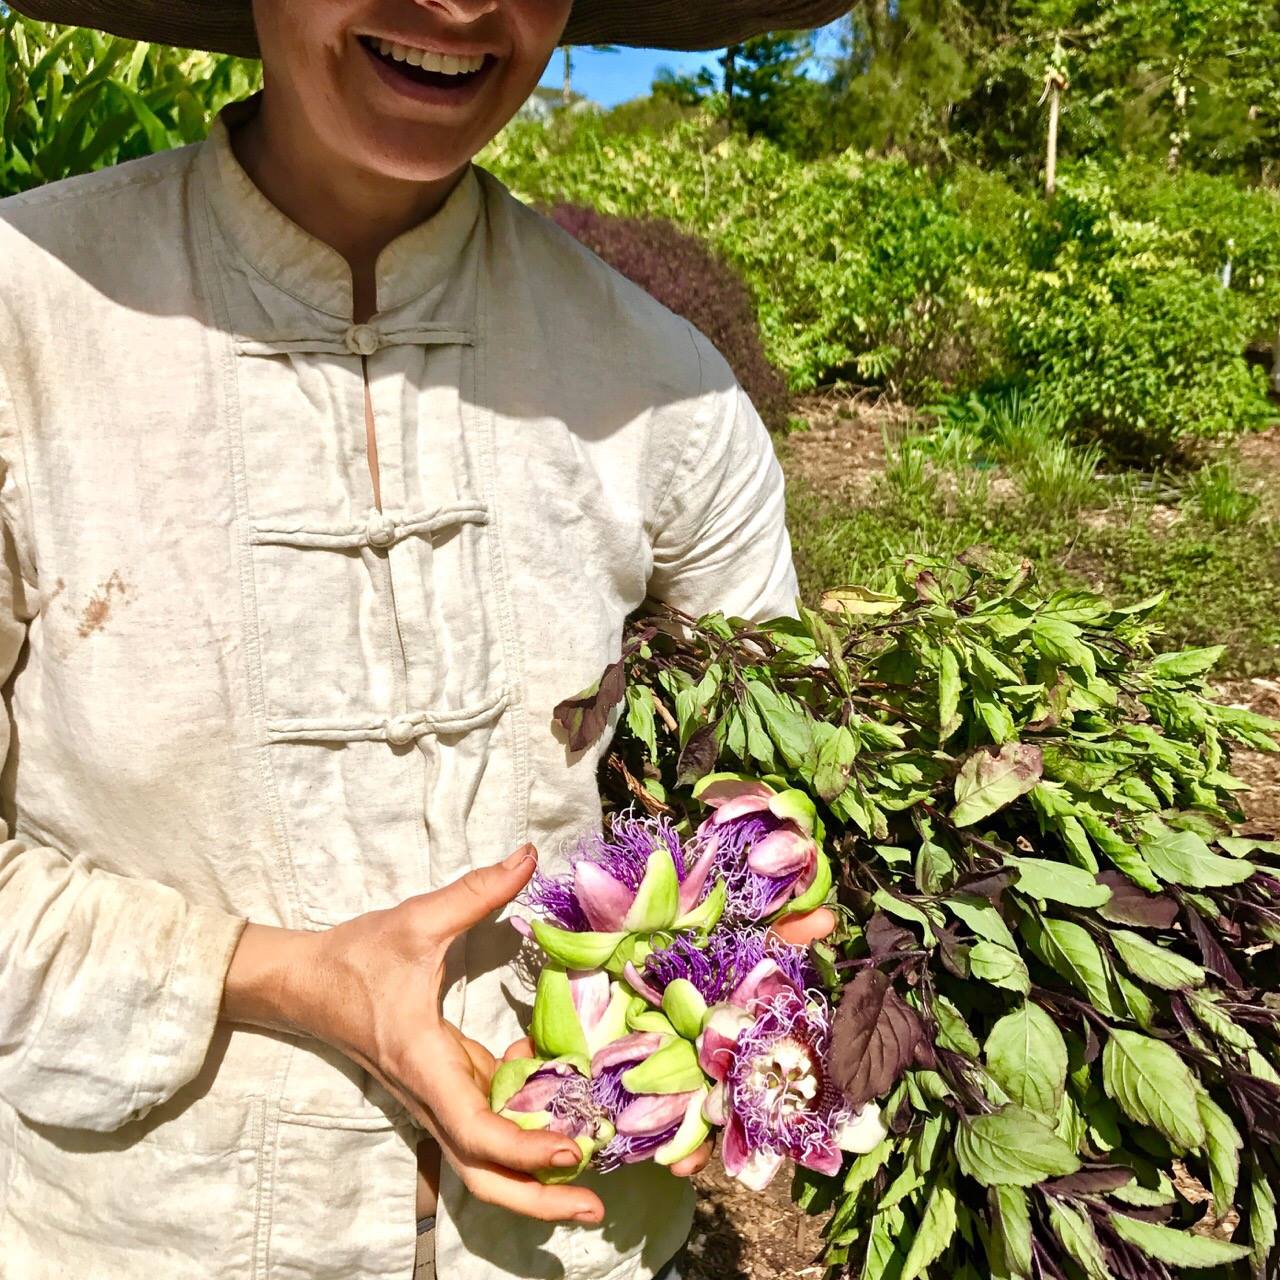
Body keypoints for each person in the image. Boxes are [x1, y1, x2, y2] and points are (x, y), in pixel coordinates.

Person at [0, 1, 847, 1277]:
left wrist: (746, 968)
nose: (457, 3)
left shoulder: (661, 388)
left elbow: (757, 798)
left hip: (575, 1240)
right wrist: (275, 971)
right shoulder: (32, 323)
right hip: (141, 1231)